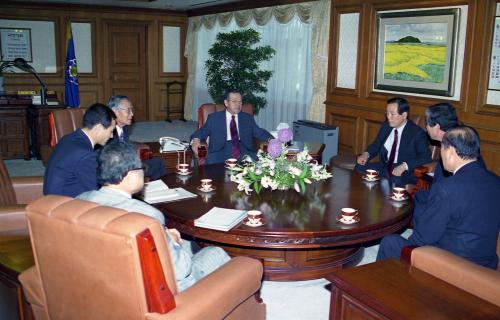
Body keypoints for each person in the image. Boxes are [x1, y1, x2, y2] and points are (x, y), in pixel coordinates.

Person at [77, 141, 230, 291]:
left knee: (186, 242)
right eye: (141, 168)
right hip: (164, 291)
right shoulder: (147, 215)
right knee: (216, 253)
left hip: (111, 278)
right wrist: (174, 243)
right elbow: (181, 271)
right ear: (130, 176)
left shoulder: (80, 200)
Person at [376, 126, 500, 269]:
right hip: (486, 261)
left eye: (442, 148)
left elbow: (421, 239)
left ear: (451, 152)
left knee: (390, 242)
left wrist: (409, 245)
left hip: (453, 263)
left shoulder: (446, 188)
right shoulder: (496, 181)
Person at [355, 97, 431, 186]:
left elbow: (426, 156)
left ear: (404, 115)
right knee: (359, 167)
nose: (388, 117)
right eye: (387, 113)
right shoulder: (386, 126)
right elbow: (376, 144)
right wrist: (366, 154)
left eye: (392, 114)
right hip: (385, 166)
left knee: (394, 178)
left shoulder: (417, 133)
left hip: (402, 170)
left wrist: (404, 166)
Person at [44, 103, 116, 197]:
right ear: (98, 128)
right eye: (111, 131)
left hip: (53, 199)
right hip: (66, 206)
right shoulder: (85, 154)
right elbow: (97, 191)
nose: (111, 136)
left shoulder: (68, 138)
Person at [190, 89, 273, 164]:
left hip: (243, 151)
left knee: (259, 164)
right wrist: (196, 140)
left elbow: (259, 132)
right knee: (213, 172)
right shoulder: (214, 118)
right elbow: (202, 132)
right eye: (234, 101)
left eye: (240, 102)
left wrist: (272, 139)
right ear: (226, 103)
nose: (238, 104)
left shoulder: (247, 118)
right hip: (220, 151)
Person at [107, 95, 166, 180]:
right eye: (128, 110)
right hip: (117, 168)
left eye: (132, 110)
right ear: (114, 111)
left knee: (157, 162)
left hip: (127, 162)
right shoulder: (108, 131)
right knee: (155, 164)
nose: (132, 114)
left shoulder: (124, 127)